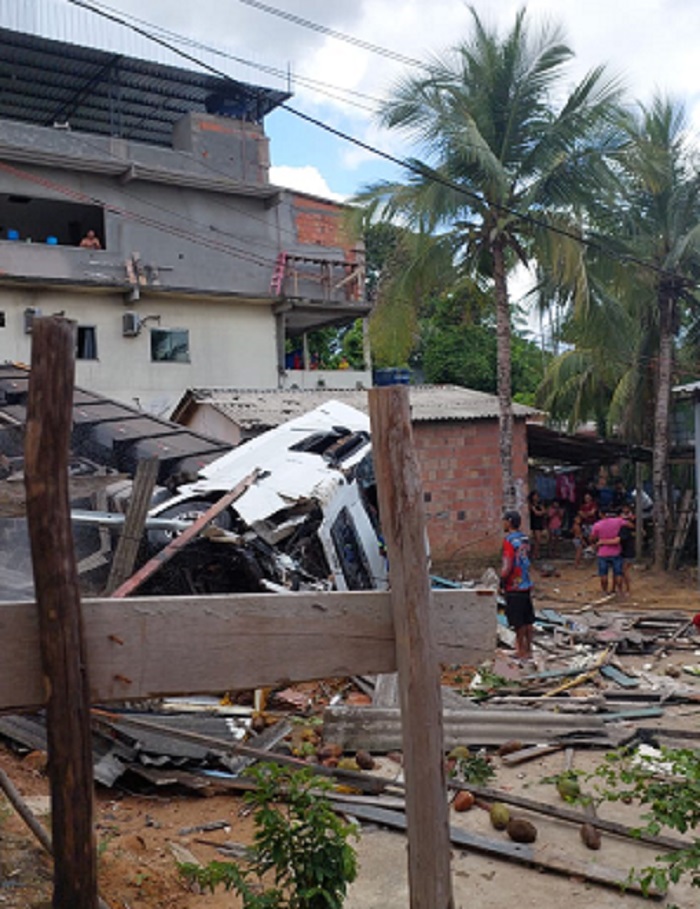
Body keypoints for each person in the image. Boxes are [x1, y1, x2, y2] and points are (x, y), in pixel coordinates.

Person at [501, 510, 535, 664]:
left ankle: (520, 650)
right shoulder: (525, 538)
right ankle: (529, 649)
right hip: (526, 583)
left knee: (518, 621)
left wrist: (501, 581)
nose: (503, 524)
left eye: (504, 521)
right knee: (528, 619)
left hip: (514, 584)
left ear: (509, 521)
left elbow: (507, 564)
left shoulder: (509, 540)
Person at [590, 507, 626, 594]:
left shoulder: (597, 525)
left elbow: (592, 538)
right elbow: (629, 524)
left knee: (603, 573)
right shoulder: (618, 521)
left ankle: (604, 591)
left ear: (600, 514)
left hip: (603, 552)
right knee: (618, 573)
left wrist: (596, 542)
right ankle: (620, 590)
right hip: (616, 551)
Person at [619, 503, 635, 595]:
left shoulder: (631, 519)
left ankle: (627, 589)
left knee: (624, 571)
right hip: (623, 551)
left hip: (628, 552)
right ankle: (623, 588)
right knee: (622, 571)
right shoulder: (622, 520)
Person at [527, 490, 546, 561]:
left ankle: (536, 553)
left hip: (539, 522)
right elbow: (536, 512)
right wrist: (540, 512)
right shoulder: (531, 504)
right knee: (536, 539)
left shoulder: (540, 504)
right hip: (534, 522)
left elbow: (543, 511)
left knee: (538, 539)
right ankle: (534, 554)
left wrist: (540, 512)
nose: (536, 497)